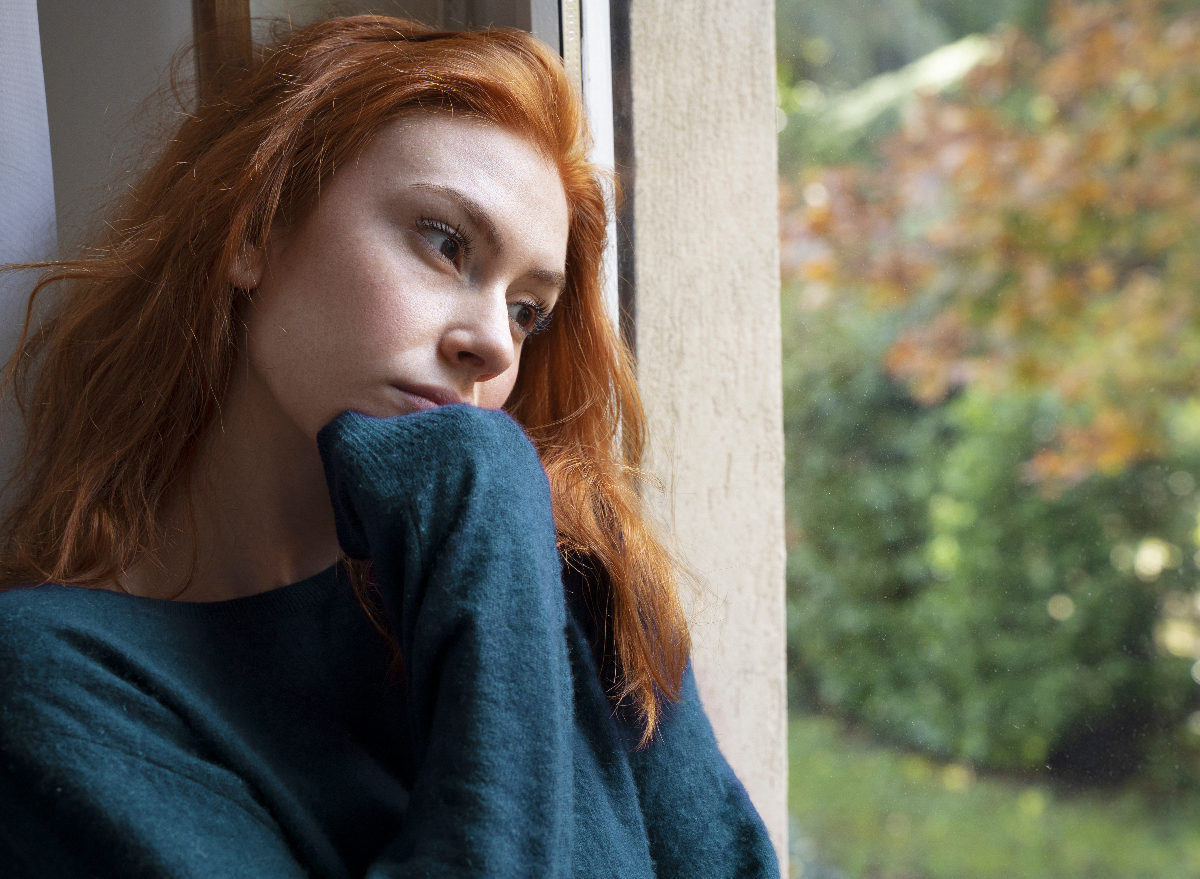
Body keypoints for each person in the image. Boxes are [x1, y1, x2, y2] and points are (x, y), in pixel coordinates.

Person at [0, 14, 778, 878]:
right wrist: (482, 491)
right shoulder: (50, 677)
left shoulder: (572, 588)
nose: (494, 342)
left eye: (529, 310)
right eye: (445, 243)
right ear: (254, 229)